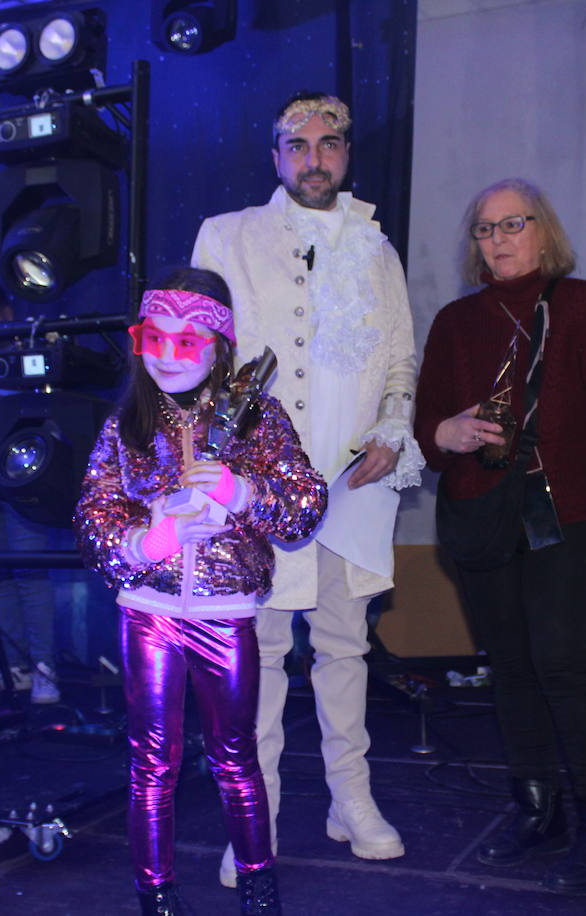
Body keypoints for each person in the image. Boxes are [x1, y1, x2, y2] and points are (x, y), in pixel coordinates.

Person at [192, 91, 421, 885]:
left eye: (329, 143)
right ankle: (257, 816)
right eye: (298, 144)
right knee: (255, 658)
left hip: (351, 481)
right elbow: (200, 358)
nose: (314, 158)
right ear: (277, 155)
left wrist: (394, 431)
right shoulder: (228, 237)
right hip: (258, 491)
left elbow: (399, 358)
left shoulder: (374, 244)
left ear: (347, 153)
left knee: (344, 647)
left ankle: (350, 801)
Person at [414, 177, 586, 895]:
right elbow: (425, 430)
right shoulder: (456, 322)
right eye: (484, 230)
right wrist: (446, 432)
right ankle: (534, 808)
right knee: (512, 667)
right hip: (483, 514)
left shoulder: (584, 306)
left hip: (571, 510)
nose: (497, 240)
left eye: (512, 224)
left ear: (544, 231)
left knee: (562, 660)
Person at [76, 268, 327, 915]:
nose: (166, 356)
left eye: (185, 342)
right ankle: (156, 896)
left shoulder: (258, 418)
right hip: (149, 616)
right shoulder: (128, 424)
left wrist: (236, 491)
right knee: (151, 764)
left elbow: (304, 504)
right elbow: (93, 514)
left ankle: (258, 889)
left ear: (219, 346)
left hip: (224, 616)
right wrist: (146, 542)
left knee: (237, 758)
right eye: (152, 339)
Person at [0, 284, 62, 704]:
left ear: (7, 309)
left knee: (30, 572)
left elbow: (45, 406)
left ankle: (45, 669)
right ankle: (16, 666)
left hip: (22, 478)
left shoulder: (30, 346)